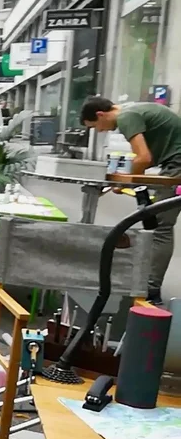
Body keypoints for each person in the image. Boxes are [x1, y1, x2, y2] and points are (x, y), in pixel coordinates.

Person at [80, 96, 181, 304]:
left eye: (96, 126)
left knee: (160, 226)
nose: (100, 131)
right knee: (152, 219)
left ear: (100, 114)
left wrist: (126, 183)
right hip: (172, 164)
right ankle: (146, 282)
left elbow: (143, 158)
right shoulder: (132, 109)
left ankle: (151, 290)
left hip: (177, 166)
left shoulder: (126, 117)